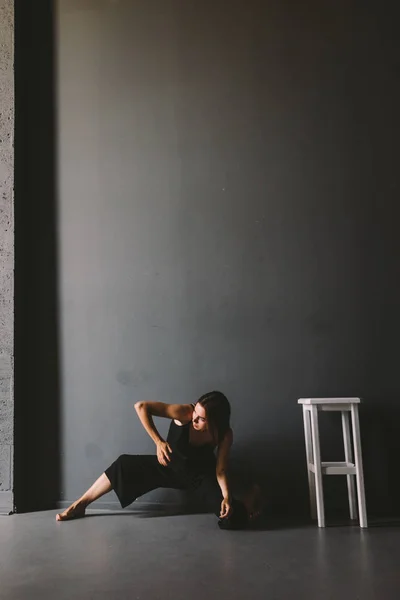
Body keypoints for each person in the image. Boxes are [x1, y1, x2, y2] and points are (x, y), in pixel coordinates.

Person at [56, 391, 262, 529]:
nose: (195, 420)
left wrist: (226, 496)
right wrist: (159, 442)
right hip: (169, 466)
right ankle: (81, 504)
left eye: (202, 419)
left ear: (215, 421)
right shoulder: (185, 413)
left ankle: (249, 499)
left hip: (199, 476)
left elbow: (221, 469)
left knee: (230, 517)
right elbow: (141, 406)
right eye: (195, 414)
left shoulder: (225, 434)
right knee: (124, 464)